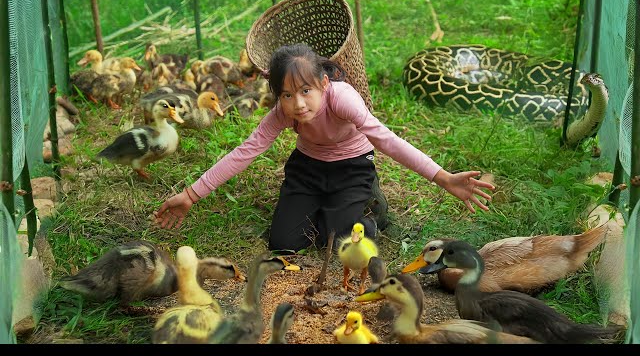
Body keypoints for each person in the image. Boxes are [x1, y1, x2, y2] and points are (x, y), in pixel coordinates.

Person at [154, 43, 495, 252]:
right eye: (287, 95)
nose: (298, 103)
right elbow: (246, 150)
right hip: (307, 169)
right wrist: (191, 194)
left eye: (305, 91)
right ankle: (326, 208)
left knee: (342, 243)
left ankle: (369, 209)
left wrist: (443, 177)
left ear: (322, 83)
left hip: (352, 167)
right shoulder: (282, 113)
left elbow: (387, 140)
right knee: (285, 244)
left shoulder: (343, 99)